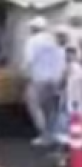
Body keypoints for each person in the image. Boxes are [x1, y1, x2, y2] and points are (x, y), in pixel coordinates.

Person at [23, 16, 65, 147]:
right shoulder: (53, 40)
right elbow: (61, 58)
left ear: (33, 28)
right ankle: (53, 134)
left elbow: (28, 60)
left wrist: (24, 73)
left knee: (34, 105)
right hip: (55, 80)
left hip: (39, 78)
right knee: (51, 109)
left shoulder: (32, 41)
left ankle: (44, 135)